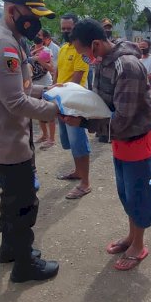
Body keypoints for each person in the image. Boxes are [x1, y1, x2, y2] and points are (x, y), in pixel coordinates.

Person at [0, 0, 60, 283]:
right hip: (6, 140)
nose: (35, 22)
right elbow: (14, 101)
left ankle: (10, 249)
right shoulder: (3, 45)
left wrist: (49, 91)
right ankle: (24, 265)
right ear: (12, 10)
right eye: (32, 14)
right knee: (23, 202)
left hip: (6, 137)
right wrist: (56, 110)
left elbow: (19, 87)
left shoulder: (9, 38)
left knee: (11, 198)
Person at [65, 18, 151, 271]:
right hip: (121, 142)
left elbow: (123, 117)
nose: (84, 57)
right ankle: (131, 237)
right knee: (126, 195)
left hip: (136, 142)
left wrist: (83, 123)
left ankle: (138, 245)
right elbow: (101, 103)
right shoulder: (104, 62)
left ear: (95, 44)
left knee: (138, 196)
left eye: (84, 51)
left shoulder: (126, 66)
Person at [55, 13, 92, 199]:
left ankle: (85, 183)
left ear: (76, 28)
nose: (66, 32)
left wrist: (56, 91)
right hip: (61, 100)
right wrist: (52, 92)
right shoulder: (63, 49)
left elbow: (76, 80)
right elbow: (58, 72)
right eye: (63, 29)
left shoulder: (81, 51)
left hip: (75, 101)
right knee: (69, 141)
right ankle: (78, 172)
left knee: (79, 142)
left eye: (69, 28)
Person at [31, 40, 56, 149]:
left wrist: (40, 60)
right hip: (34, 85)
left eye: (40, 35)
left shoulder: (46, 51)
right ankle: (44, 135)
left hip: (46, 84)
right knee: (38, 112)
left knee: (49, 112)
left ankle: (52, 139)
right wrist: (32, 56)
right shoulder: (31, 49)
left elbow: (51, 68)